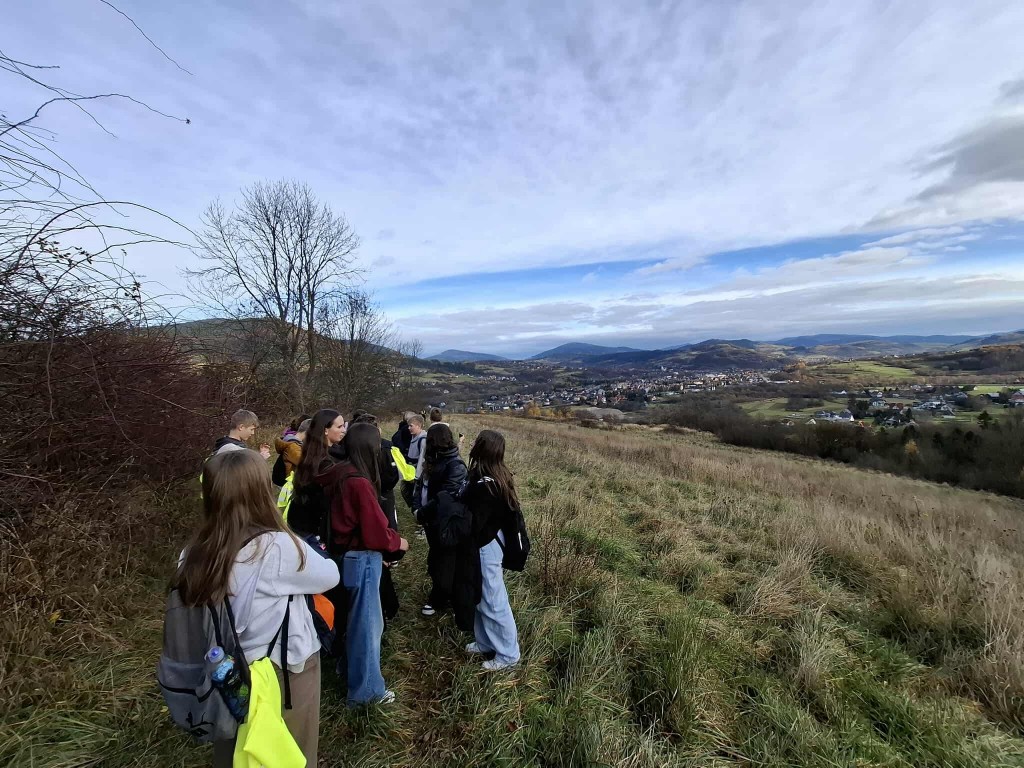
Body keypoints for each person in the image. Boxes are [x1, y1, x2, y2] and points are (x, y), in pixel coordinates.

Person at [174, 449, 340, 767]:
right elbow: (330, 576)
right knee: (291, 750)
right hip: (282, 670)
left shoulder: (193, 553)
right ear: (260, 491)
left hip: (223, 670)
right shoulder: (276, 547)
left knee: (234, 746)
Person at [318, 423, 409, 706]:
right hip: (362, 558)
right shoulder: (359, 482)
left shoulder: (340, 472)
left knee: (354, 620)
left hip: (346, 555)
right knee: (367, 626)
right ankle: (366, 692)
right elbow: (374, 530)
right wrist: (397, 543)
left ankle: (348, 669)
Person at [461, 430, 522, 671]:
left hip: (486, 547)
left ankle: (508, 655)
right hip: (484, 545)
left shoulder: (488, 485)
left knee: (493, 601)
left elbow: (477, 522)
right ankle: (486, 642)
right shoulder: (491, 476)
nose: (472, 443)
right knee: (481, 597)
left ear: (483, 448)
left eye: (476, 441)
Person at [412, 424, 467, 618]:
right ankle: (444, 594)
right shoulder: (431, 460)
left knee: (444, 562)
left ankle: (440, 598)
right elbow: (420, 486)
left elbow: (445, 498)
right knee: (436, 558)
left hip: (444, 523)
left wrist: (422, 513)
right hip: (431, 522)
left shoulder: (455, 465)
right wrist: (415, 507)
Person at [288, 410, 344, 539]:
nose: (343, 430)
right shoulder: (325, 462)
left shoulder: (311, 453)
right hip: (313, 527)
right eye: (339, 427)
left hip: (302, 522)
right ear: (325, 430)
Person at [405, 414, 427, 521]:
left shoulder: (423, 440)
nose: (409, 428)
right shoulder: (414, 437)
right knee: (406, 492)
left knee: (417, 496)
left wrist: (417, 477)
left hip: (416, 474)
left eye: (411, 426)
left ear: (419, 426)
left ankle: (419, 518)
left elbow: (422, 460)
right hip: (410, 471)